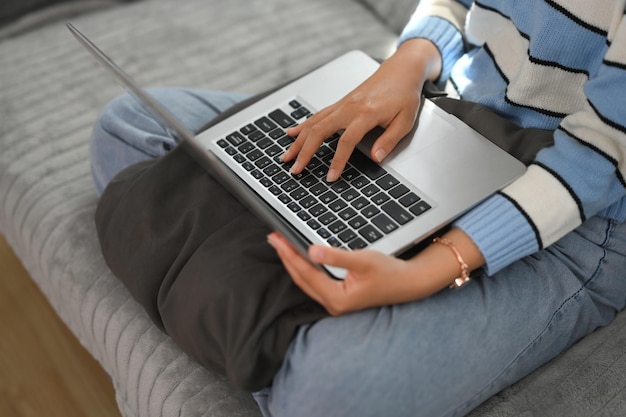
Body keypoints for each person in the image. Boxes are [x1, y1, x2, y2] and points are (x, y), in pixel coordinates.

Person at [90, 0, 626, 416]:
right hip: (439, 113)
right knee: (128, 127)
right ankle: (260, 312)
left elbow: (600, 157)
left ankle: (245, 305)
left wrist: (429, 269)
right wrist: (408, 63)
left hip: (578, 209)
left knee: (328, 393)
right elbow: (458, 7)